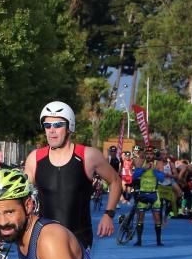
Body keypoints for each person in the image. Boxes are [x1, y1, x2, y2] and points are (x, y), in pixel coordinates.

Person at [24, 101, 121, 248]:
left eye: (58, 125)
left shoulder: (88, 156)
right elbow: (22, 194)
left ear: (70, 127)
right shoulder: (35, 158)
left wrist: (109, 214)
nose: (52, 130)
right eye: (47, 125)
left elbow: (115, 181)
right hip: (45, 240)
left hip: (78, 240)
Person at [130, 148, 166, 246]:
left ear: (154, 155)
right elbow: (134, 176)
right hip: (143, 193)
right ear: (145, 154)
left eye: (151, 154)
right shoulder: (140, 162)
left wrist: (154, 170)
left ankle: (158, 241)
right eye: (147, 154)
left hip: (154, 193)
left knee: (157, 217)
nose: (149, 156)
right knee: (140, 217)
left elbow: (162, 179)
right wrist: (143, 169)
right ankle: (139, 241)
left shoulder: (158, 163)